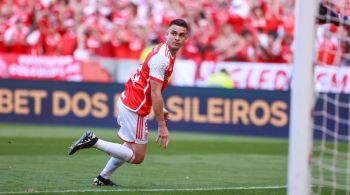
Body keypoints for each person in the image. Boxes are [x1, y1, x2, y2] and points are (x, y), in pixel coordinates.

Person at [67, 19, 189, 186]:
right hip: (135, 107)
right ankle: (93, 140)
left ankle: (103, 177)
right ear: (166, 35)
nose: (177, 38)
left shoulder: (164, 52)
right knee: (137, 157)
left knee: (127, 147)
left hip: (130, 100)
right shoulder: (162, 58)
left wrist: (163, 108)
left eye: (181, 35)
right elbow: (154, 92)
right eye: (173, 33)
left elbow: (150, 86)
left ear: (186, 39)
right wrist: (161, 124)